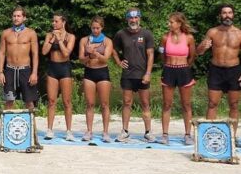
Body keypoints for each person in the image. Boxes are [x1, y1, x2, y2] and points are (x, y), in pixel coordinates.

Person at [197, 4, 241, 146]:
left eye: (229, 12)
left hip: (234, 71)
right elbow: (199, 52)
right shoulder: (213, 32)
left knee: (234, 104)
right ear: (220, 15)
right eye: (224, 13)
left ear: (233, 15)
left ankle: (232, 137)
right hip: (216, 70)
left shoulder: (239, 33)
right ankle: (210, 135)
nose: (227, 15)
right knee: (212, 103)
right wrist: (203, 47)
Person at [112, 8, 156, 143]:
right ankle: (125, 131)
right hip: (128, 74)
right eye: (131, 18)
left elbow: (151, 55)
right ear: (127, 19)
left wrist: (148, 73)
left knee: (145, 103)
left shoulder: (147, 34)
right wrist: (118, 62)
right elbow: (113, 49)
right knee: (126, 103)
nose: (133, 20)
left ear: (139, 18)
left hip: (142, 74)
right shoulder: (121, 34)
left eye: (136, 17)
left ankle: (148, 132)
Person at [159, 12, 196, 146]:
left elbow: (192, 56)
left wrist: (184, 66)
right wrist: (169, 65)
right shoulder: (165, 38)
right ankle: (165, 135)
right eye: (169, 22)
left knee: (186, 104)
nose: (169, 24)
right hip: (169, 70)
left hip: (184, 71)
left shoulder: (189, 38)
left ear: (179, 23)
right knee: (167, 104)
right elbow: (162, 55)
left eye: (171, 22)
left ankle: (187, 135)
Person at [78, 16, 114, 143]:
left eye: (98, 28)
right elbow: (81, 59)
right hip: (89, 72)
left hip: (102, 72)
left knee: (104, 104)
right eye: (93, 28)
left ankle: (105, 132)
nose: (95, 30)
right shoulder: (84, 40)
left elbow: (105, 59)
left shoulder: (107, 41)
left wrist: (96, 53)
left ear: (102, 28)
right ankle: (89, 131)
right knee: (90, 103)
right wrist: (88, 55)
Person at [0, 6, 39, 110]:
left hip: (25, 70)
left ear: (24, 18)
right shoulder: (6, 33)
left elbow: (35, 54)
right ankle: (8, 121)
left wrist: (34, 73)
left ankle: (31, 121)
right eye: (14, 16)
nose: (16, 18)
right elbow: (2, 53)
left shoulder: (31, 33)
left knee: (29, 101)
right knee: (9, 100)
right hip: (10, 70)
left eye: (19, 16)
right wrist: (0, 72)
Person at [42, 12, 75, 141]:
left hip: (65, 68)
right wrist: (52, 39)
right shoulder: (49, 35)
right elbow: (44, 51)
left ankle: (69, 131)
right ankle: (49, 130)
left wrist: (60, 39)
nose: (53, 23)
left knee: (67, 101)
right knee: (51, 101)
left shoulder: (70, 36)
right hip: (52, 68)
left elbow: (66, 53)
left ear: (63, 22)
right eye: (53, 21)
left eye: (56, 21)